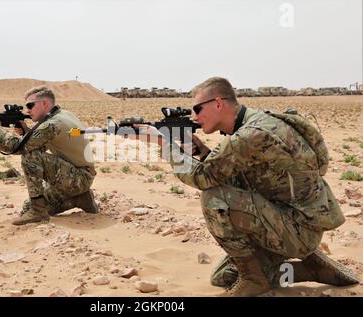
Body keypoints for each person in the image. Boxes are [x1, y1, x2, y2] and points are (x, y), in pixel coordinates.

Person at [137, 77, 360, 296]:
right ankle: (311, 267)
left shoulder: (250, 135)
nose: (195, 117)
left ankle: (256, 279)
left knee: (214, 199)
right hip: (294, 219)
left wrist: (164, 144)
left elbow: (203, 179)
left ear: (218, 103)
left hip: (296, 228)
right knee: (223, 276)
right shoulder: (257, 122)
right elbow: (239, 173)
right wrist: (204, 152)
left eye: (197, 109)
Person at [0, 86, 98, 226]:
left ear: (45, 104)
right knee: (26, 207)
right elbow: (42, 142)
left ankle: (38, 211)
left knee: (30, 156)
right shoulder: (64, 114)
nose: (27, 110)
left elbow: (17, 147)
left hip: (78, 178)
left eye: (30, 105)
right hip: (79, 175)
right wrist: (27, 132)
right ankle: (79, 199)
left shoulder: (51, 124)